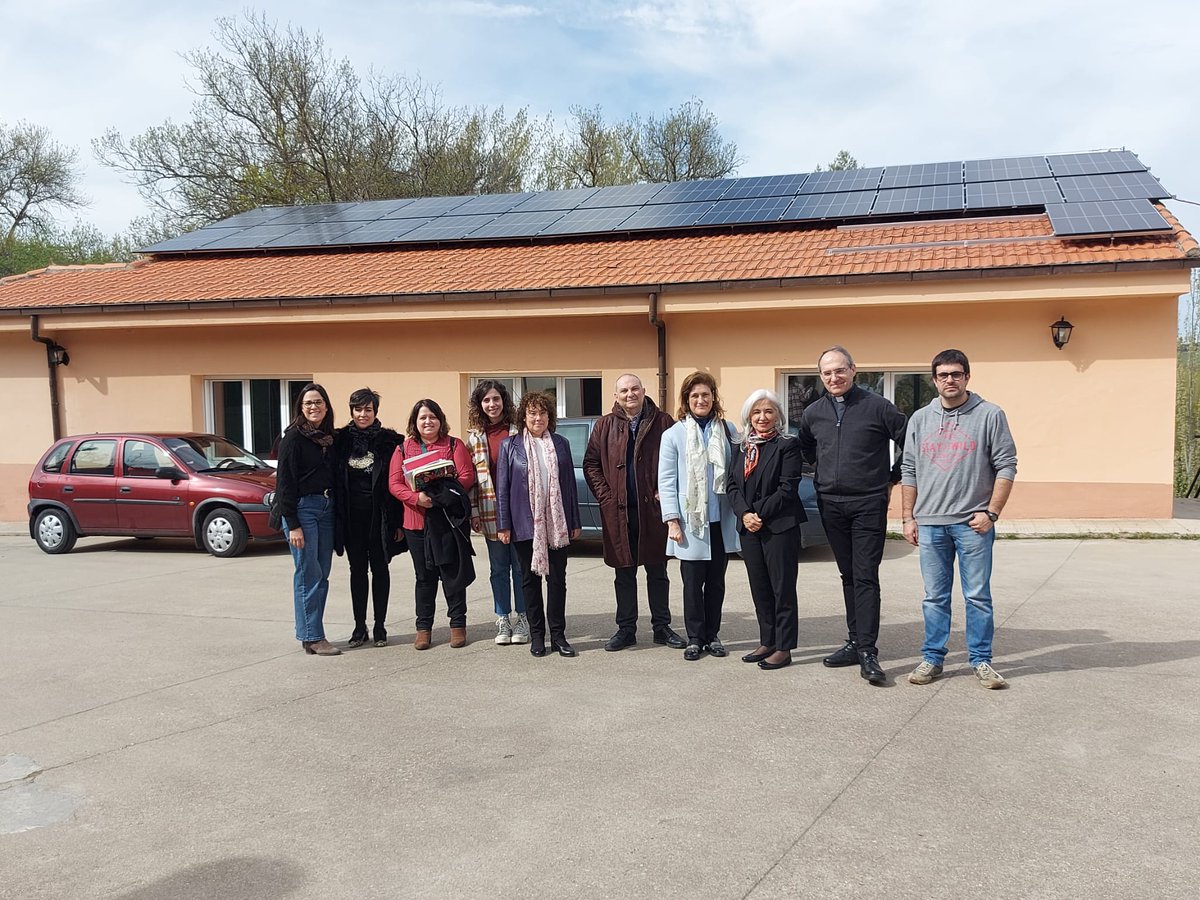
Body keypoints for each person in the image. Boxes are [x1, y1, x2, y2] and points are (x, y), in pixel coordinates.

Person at [901, 349, 1017, 689]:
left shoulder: (990, 415)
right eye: (942, 375)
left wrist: (992, 513)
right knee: (934, 596)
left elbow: (1006, 464)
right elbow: (909, 469)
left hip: (972, 524)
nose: (949, 380)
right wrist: (908, 516)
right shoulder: (920, 419)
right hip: (931, 523)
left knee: (977, 596)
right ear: (934, 380)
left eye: (955, 374)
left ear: (967, 376)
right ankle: (932, 658)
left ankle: (981, 661)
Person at [798, 346, 907, 685]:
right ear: (821, 377)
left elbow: (910, 440)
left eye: (839, 370)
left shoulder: (877, 406)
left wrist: (892, 476)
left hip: (868, 504)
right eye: (827, 373)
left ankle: (868, 651)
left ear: (853, 370)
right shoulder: (814, 412)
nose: (834, 377)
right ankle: (854, 640)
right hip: (831, 504)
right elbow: (806, 448)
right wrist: (825, 472)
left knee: (865, 575)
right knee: (848, 575)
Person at [582, 374, 685, 652]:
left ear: (644, 391)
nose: (630, 394)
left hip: (652, 512)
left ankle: (662, 627)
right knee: (624, 572)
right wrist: (606, 497)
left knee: (658, 570)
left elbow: (679, 460)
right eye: (624, 390)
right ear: (616, 396)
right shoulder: (604, 425)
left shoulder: (663, 422)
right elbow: (591, 464)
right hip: (618, 512)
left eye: (635, 389)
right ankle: (626, 629)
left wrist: (667, 492)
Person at [658, 371, 740, 661]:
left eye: (705, 394)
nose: (700, 400)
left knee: (716, 582)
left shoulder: (729, 431)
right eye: (694, 396)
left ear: (713, 398)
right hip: (689, 522)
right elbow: (666, 480)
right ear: (686, 400)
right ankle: (695, 637)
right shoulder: (673, 434)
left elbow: (738, 473)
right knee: (692, 584)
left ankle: (712, 635)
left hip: (720, 520)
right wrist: (672, 520)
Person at [495, 391, 582, 658]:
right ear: (524, 416)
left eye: (542, 413)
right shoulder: (510, 446)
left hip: (557, 524)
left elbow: (568, 486)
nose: (538, 418)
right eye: (532, 413)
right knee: (528, 581)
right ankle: (537, 636)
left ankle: (558, 635)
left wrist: (575, 521)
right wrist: (504, 525)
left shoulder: (561, 443)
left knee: (558, 581)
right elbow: (503, 488)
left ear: (549, 416)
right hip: (524, 524)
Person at [388, 398, 477, 650]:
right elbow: (394, 484)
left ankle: (458, 625)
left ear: (440, 420)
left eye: (432, 417)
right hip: (416, 522)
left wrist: (440, 496)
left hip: (448, 520)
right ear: (414, 423)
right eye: (422, 418)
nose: (428, 422)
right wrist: (417, 497)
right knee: (424, 577)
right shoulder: (403, 449)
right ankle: (423, 628)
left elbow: (467, 476)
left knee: (452, 574)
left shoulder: (453, 444)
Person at [727, 389, 805, 671]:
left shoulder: (788, 445)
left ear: (778, 416)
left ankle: (784, 648)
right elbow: (732, 486)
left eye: (768, 411)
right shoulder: (742, 446)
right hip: (749, 528)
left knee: (781, 588)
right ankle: (767, 640)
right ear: (749, 415)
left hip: (779, 527)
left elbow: (788, 487)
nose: (762, 417)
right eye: (757, 412)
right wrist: (745, 514)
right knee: (760, 588)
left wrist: (757, 513)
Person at [332, 387, 403, 649]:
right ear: (351, 411)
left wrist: (397, 523)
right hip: (351, 518)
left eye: (368, 409)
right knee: (357, 571)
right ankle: (359, 627)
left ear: (376, 412)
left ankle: (380, 627)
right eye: (358, 409)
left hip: (380, 517)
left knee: (381, 569)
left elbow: (397, 483)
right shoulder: (339, 441)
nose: (363, 414)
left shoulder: (390, 441)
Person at [276, 383, 340, 656]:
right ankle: (312, 636)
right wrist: (292, 523)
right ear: (300, 408)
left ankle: (311, 632)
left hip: (326, 508)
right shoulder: (293, 438)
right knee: (308, 574)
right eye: (308, 403)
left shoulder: (328, 438)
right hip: (303, 510)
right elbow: (284, 483)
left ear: (326, 406)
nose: (314, 407)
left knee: (322, 573)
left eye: (318, 402)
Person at [466, 380, 530, 646]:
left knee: (522, 566)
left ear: (504, 400)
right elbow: (471, 479)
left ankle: (524, 617)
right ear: (480, 405)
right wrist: (473, 511)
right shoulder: (475, 437)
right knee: (498, 568)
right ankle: (502, 617)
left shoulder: (519, 431)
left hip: (520, 508)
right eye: (486, 400)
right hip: (490, 508)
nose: (492, 404)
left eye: (496, 399)